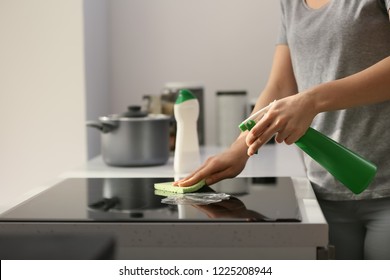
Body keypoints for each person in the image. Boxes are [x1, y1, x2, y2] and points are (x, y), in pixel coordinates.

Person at [174, 0, 390, 260]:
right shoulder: (291, 3)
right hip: (322, 189)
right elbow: (280, 86)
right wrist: (240, 147)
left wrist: (311, 100)